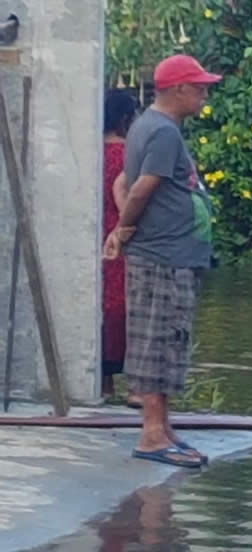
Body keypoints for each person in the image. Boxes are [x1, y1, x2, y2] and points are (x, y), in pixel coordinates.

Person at [103, 54, 221, 468]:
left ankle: (163, 428)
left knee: (170, 340)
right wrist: (125, 229)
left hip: (170, 253)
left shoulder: (153, 128)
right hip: (162, 256)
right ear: (179, 89)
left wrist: (126, 229)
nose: (205, 95)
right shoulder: (161, 131)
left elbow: (124, 182)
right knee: (157, 341)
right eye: (200, 87)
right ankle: (152, 433)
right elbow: (140, 189)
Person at [102, 89, 140, 407]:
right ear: (127, 119)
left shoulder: (88, 154)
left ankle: (102, 383)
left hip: (93, 238)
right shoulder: (131, 156)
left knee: (101, 307)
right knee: (126, 309)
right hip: (122, 238)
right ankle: (136, 387)